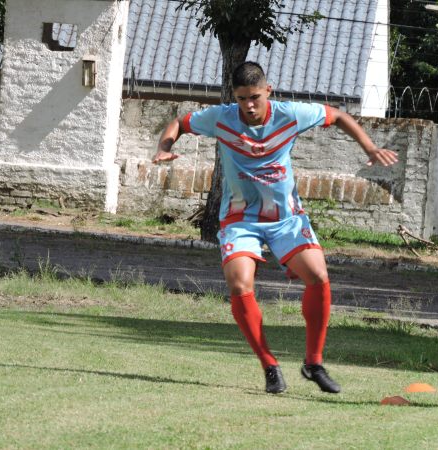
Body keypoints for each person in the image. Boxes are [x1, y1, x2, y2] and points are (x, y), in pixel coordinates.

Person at [152, 61, 398, 395]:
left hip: (286, 219)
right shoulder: (221, 118)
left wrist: (370, 148)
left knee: (319, 276)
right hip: (240, 219)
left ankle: (313, 363)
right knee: (240, 285)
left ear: (268, 91)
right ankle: (269, 366)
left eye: (255, 97)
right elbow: (179, 123)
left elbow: (338, 115)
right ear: (234, 96)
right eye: (241, 99)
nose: (249, 105)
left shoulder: (290, 114)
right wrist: (164, 147)